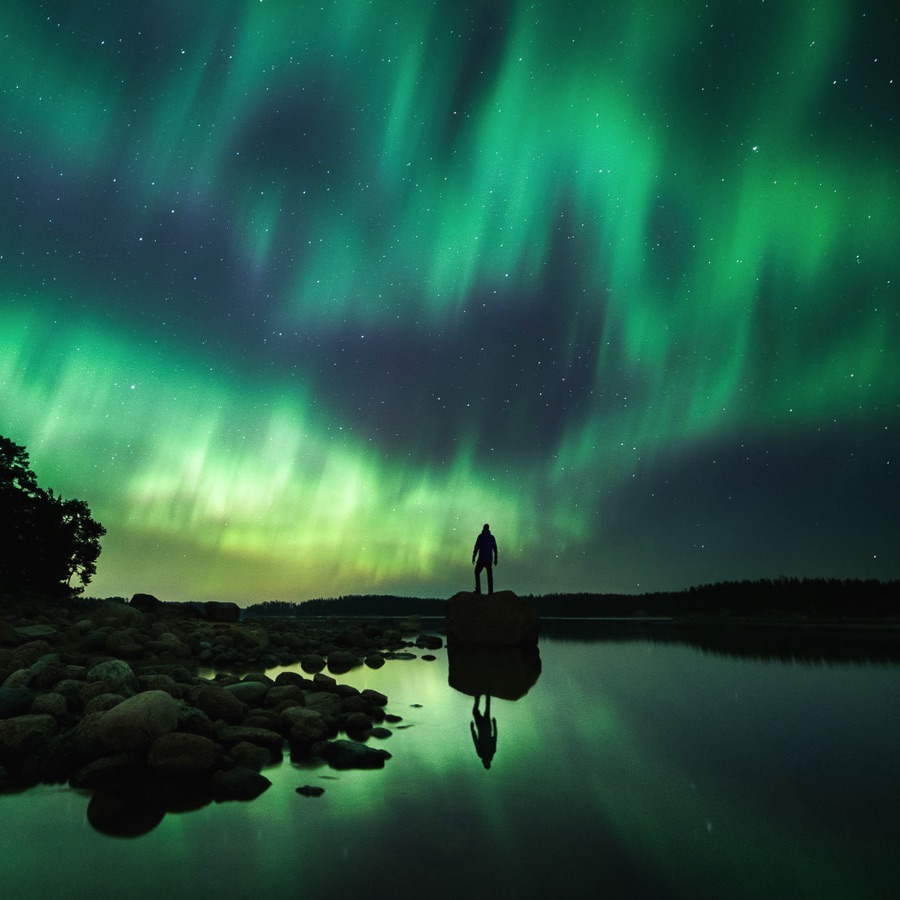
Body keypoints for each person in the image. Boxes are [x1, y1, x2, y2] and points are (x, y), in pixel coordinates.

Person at [472, 523, 498, 595]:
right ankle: (490, 591)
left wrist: (474, 556)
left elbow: (476, 547)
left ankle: (478, 590)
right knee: (489, 575)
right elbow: (495, 549)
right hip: (489, 559)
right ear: (488, 528)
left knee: (477, 572)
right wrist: (496, 559)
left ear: (483, 528)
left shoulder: (481, 537)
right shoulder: (492, 537)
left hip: (481, 559)